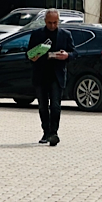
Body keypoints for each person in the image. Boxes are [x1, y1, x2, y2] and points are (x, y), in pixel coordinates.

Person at [27, 9, 76, 147]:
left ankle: (54, 133)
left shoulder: (65, 35)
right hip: (41, 75)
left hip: (57, 75)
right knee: (43, 106)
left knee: (55, 105)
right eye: (50, 23)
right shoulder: (37, 34)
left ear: (58, 21)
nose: (52, 25)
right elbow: (29, 53)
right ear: (45, 21)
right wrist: (33, 57)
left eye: (55, 22)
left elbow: (74, 53)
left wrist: (67, 55)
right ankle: (46, 132)